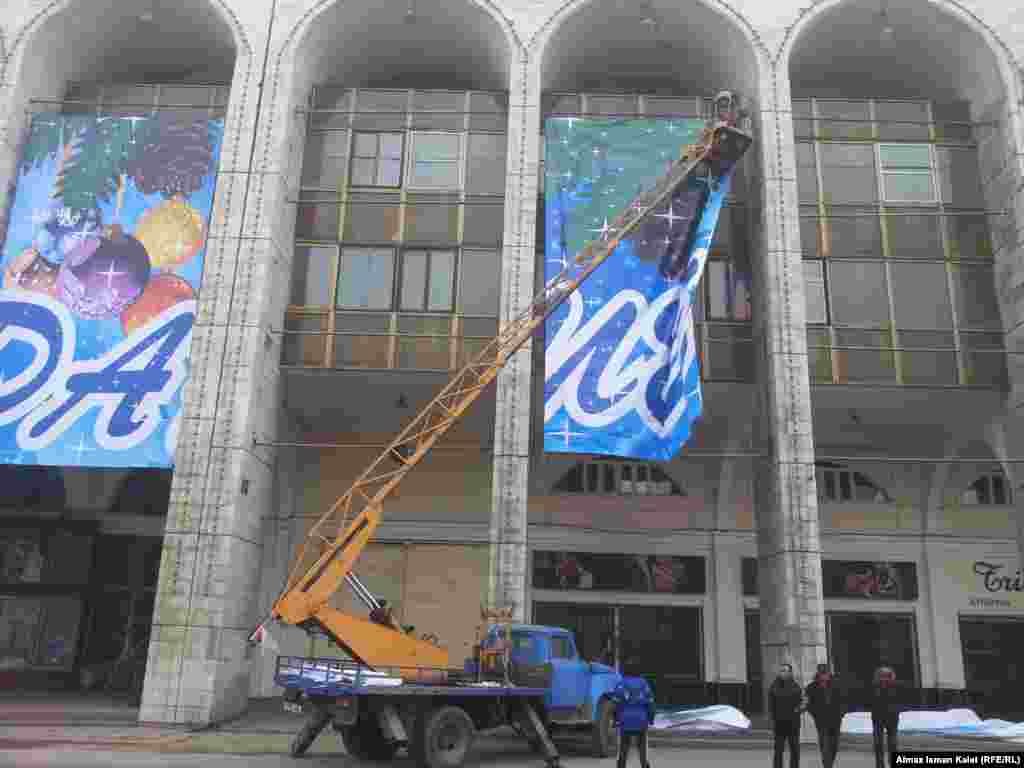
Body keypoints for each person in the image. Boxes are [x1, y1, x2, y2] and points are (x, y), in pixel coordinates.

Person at [805, 663, 844, 768]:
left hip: (835, 720)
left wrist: (841, 713)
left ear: (829, 674)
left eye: (825, 673)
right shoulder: (811, 687)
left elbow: (844, 700)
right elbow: (808, 704)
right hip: (821, 721)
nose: (824, 676)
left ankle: (829, 763)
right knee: (824, 744)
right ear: (818, 674)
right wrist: (815, 714)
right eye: (821, 674)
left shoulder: (837, 684)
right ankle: (827, 765)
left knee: (834, 745)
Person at [612, 675, 656, 768]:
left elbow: (615, 705)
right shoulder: (644, 684)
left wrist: (616, 719)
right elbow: (650, 704)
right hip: (641, 720)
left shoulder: (621, 684)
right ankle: (644, 765)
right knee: (642, 747)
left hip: (625, 720)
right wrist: (651, 719)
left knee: (623, 747)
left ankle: (621, 765)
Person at [768, 663, 804, 768]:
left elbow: (802, 703)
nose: (783, 673)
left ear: (790, 673)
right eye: (782, 671)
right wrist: (773, 719)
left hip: (793, 723)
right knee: (778, 750)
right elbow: (771, 705)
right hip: (779, 724)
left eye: (786, 671)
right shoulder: (774, 687)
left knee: (795, 749)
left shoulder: (796, 687)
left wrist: (799, 709)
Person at [869, 664, 903, 768]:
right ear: (878, 677)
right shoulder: (874, 686)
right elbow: (869, 701)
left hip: (892, 717)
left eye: (886, 676)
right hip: (878, 717)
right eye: (882, 676)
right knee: (878, 743)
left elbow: (900, 700)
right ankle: (880, 764)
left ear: (891, 677)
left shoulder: (895, 686)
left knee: (892, 743)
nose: (884, 678)